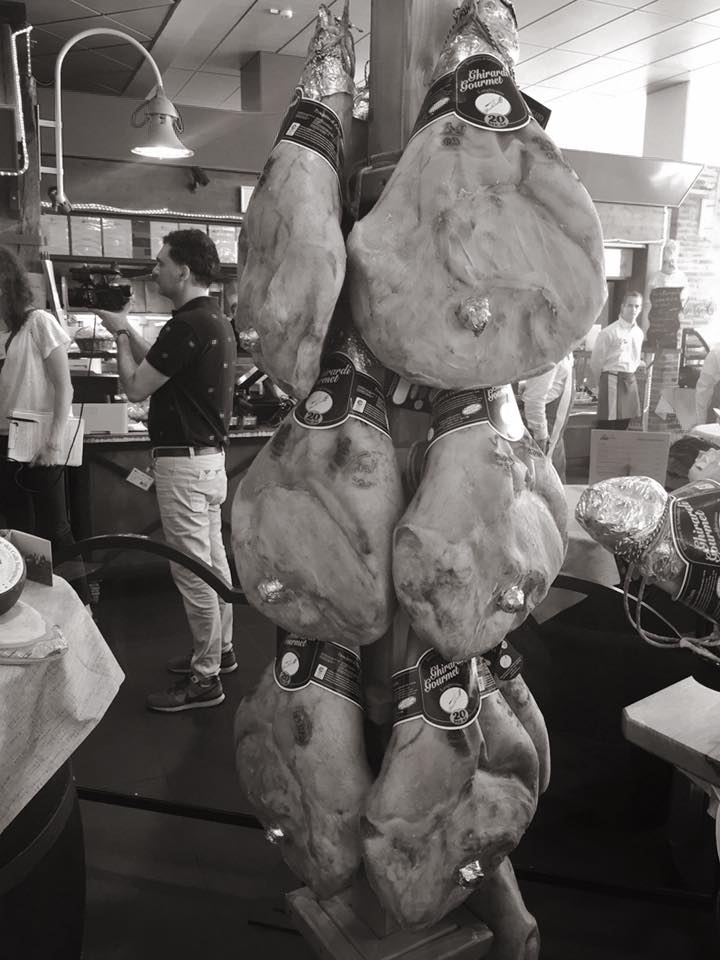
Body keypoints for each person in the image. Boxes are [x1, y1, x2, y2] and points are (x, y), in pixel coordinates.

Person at [98, 229, 237, 712]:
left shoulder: (187, 325)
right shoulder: (211, 319)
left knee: (193, 573)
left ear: (183, 270)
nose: (155, 270)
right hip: (208, 464)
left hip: (184, 467)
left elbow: (136, 388)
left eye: (161, 263)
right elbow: (159, 364)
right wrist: (127, 331)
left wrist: (120, 333)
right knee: (213, 567)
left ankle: (205, 679)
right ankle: (221, 652)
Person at [0, 247, 90, 605]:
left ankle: (81, 604)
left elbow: (64, 386)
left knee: (55, 527)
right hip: (3, 441)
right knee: (16, 526)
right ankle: (31, 603)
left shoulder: (38, 322)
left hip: (38, 438)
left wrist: (54, 440)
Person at [590, 290, 645, 431]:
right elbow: (596, 362)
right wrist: (598, 384)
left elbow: (635, 358)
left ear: (640, 309)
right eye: (630, 305)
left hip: (630, 379)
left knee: (624, 425)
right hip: (611, 380)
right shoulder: (609, 332)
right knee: (607, 426)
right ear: (622, 307)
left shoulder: (639, 333)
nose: (633, 309)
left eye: (637, 306)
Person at [520, 352, 574, 482]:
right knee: (539, 483)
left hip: (556, 435)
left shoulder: (567, 352)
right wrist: (541, 435)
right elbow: (534, 399)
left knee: (557, 479)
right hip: (543, 432)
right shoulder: (551, 354)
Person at [694, 342, 720, 426]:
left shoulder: (716, 352)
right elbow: (704, 389)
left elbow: (703, 391)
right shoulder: (716, 353)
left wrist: (701, 423)